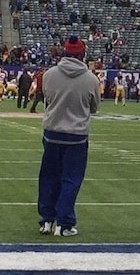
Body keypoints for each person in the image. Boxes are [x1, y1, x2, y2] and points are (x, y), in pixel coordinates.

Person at [36, 37, 98, 237]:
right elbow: (94, 107)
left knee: (48, 177)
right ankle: (64, 223)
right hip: (76, 136)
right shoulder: (91, 79)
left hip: (52, 132)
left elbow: (47, 98)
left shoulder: (49, 75)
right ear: (82, 55)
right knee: (70, 180)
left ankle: (46, 220)